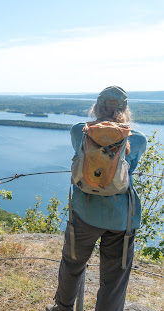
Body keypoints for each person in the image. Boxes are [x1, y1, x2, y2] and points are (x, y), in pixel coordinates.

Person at [46, 86, 147, 311]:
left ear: (96, 107)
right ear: (125, 109)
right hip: (121, 218)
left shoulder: (79, 131)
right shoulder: (137, 139)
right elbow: (129, 171)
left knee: (72, 263)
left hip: (85, 213)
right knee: (114, 276)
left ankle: (62, 308)